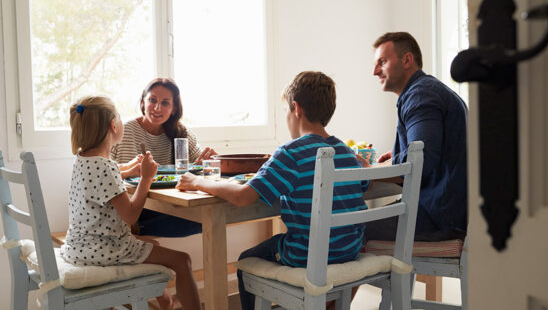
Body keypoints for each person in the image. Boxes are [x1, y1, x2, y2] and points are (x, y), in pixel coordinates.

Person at [175, 71, 371, 310]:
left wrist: (197, 182)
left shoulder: (291, 152)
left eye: (286, 111)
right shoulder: (346, 152)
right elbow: (364, 184)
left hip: (308, 255)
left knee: (247, 259)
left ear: (296, 109)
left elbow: (242, 196)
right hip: (349, 250)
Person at [61, 95, 201, 310]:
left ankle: (165, 302)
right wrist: (145, 178)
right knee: (183, 261)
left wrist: (128, 169)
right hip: (104, 249)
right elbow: (131, 215)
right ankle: (173, 303)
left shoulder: (83, 159)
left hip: (79, 246)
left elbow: (106, 175)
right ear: (113, 125)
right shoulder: (106, 167)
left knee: (152, 246)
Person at [365, 31, 467, 241]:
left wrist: (375, 169)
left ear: (407, 60)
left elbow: (422, 160)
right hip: (449, 210)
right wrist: (397, 156)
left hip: (439, 216)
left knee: (345, 232)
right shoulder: (429, 90)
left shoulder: (420, 95)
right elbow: (428, 152)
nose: (375, 71)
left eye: (382, 62)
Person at [111, 78, 215, 237]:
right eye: (152, 100)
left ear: (174, 109)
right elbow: (101, 170)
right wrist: (131, 168)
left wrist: (204, 163)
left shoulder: (181, 133)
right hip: (131, 210)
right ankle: (133, 231)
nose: (157, 107)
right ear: (143, 103)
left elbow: (198, 165)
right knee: (209, 221)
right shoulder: (123, 131)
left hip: (170, 207)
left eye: (165, 103)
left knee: (211, 218)